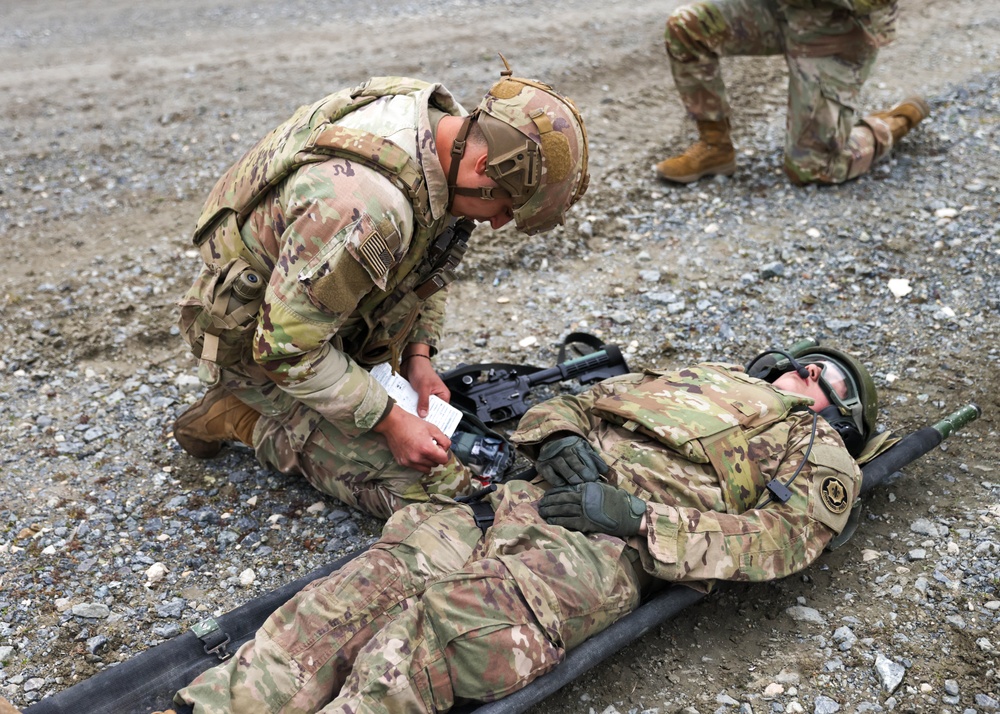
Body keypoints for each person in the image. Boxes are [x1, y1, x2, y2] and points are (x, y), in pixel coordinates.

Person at [158, 344, 879, 714]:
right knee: (354, 594)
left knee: (443, 633)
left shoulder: (815, 451)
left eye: (833, 387)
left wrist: (640, 520)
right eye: (812, 367)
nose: (814, 379)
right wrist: (560, 438)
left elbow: (783, 541)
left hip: (600, 544)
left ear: (841, 421)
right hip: (522, 492)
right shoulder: (690, 376)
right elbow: (577, 401)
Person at [171, 58, 590, 518]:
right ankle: (241, 415)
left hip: (320, 314)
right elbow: (284, 351)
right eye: (507, 208)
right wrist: (391, 422)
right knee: (440, 491)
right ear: (486, 164)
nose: (497, 223)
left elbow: (430, 267)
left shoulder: (441, 136)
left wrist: (419, 358)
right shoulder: (364, 209)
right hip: (262, 351)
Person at [654, 0, 931, 185]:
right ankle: (715, 147)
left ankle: (890, 124)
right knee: (688, 25)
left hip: (836, 25)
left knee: (813, 169)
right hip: (779, 9)